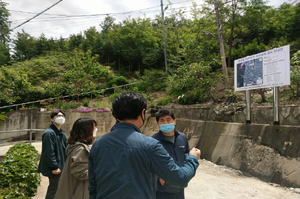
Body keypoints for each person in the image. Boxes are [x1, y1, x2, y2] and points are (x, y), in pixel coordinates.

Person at [88, 91, 201, 199]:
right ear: (142, 113)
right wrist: (192, 158)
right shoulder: (150, 144)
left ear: (115, 115)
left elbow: (93, 186)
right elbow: (180, 179)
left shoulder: (98, 144)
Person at [54, 118, 97, 199]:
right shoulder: (80, 149)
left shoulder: (76, 146)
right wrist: (100, 170)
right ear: (87, 130)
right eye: (94, 127)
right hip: (79, 191)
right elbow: (81, 173)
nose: (96, 129)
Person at [152, 110, 190, 199]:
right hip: (162, 190)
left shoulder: (182, 138)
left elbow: (186, 154)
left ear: (174, 121)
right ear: (158, 123)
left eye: (168, 119)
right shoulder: (153, 141)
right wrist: (160, 179)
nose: (165, 123)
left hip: (180, 187)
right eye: (162, 120)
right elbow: (150, 163)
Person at [38, 110, 67, 199]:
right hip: (55, 167)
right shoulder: (49, 133)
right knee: (54, 189)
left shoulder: (62, 133)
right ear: (51, 119)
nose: (60, 117)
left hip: (61, 165)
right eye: (58, 116)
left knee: (59, 189)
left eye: (62, 115)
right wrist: (54, 166)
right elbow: (49, 152)